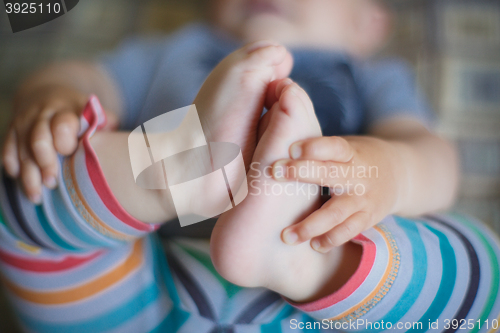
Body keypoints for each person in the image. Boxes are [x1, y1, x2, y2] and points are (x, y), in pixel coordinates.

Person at [1, 0, 496, 331]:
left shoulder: (374, 75)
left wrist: (386, 172)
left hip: (339, 305)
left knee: (485, 269)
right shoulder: (172, 51)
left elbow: (435, 161)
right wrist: (54, 99)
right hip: (142, 293)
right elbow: (83, 76)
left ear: (367, 21)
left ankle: (303, 263)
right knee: (26, 181)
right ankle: (173, 171)